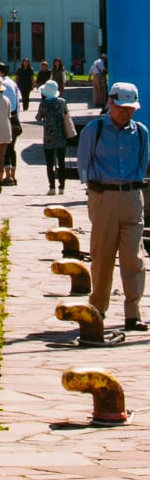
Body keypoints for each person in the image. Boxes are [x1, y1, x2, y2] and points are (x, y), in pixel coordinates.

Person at [76, 81, 150, 332]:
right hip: (103, 196)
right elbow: (83, 163)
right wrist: (93, 192)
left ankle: (133, 313)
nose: (125, 112)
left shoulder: (141, 132)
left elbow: (142, 163)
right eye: (121, 107)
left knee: (134, 258)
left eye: (130, 108)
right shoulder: (94, 130)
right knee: (102, 256)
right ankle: (98, 309)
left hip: (132, 196)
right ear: (110, 102)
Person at [35, 78, 74, 195]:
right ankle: (62, 186)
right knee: (61, 162)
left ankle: (52, 187)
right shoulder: (62, 102)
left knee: (50, 163)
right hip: (61, 135)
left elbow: (38, 117)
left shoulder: (43, 104)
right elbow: (67, 114)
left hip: (48, 137)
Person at [0, 63, 21, 186]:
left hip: (5, 118)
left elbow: (2, 103)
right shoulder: (12, 83)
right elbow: (17, 103)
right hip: (14, 117)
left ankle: (8, 176)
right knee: (11, 148)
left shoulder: (2, 85)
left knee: (4, 149)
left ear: (1, 72)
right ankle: (12, 176)